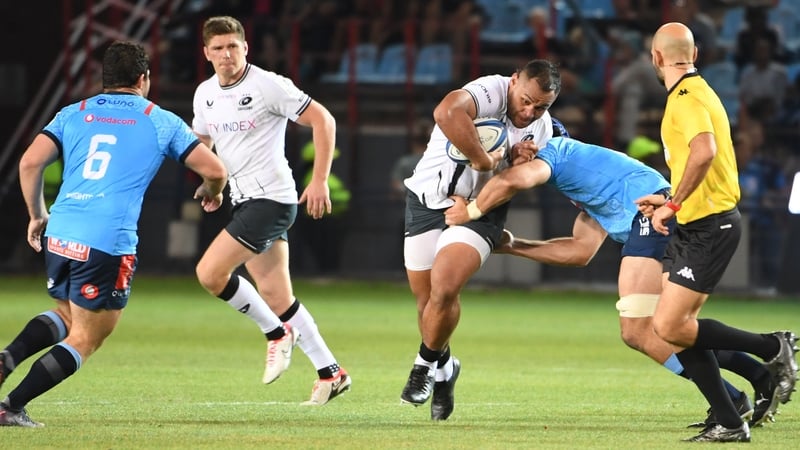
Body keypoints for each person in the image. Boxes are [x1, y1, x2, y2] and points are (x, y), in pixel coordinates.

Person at [444, 131, 783, 429]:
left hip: (650, 216)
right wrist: (514, 245)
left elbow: (511, 181)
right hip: (654, 215)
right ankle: (754, 378)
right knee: (671, 327)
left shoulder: (555, 152)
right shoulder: (585, 182)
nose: (519, 153)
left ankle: (753, 373)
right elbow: (580, 251)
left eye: (523, 145)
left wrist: (470, 211)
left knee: (641, 329)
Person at [0, 41, 228, 427]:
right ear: (143, 79)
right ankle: (11, 406)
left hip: (62, 230)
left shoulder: (74, 113)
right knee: (90, 335)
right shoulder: (160, 120)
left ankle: (6, 358)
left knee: (68, 314)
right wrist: (213, 191)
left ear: (104, 79)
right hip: (106, 238)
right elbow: (216, 170)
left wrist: (37, 214)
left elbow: (30, 162)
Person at [634, 22, 797, 443]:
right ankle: (729, 419)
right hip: (696, 221)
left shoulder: (684, 99)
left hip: (710, 226)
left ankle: (770, 348)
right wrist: (672, 197)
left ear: (655, 58)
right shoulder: (698, 91)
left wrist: (671, 204)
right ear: (695, 53)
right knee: (674, 325)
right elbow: (704, 162)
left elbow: (704, 152)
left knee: (670, 326)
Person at [191, 16, 350, 406]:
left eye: (233, 46)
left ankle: (277, 334)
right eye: (218, 48)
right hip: (243, 199)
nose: (226, 55)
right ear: (207, 53)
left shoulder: (267, 85)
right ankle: (332, 373)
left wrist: (319, 180)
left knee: (210, 273)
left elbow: (323, 119)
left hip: (273, 199)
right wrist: (213, 185)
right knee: (278, 294)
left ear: (246, 47)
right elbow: (205, 142)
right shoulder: (205, 93)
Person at [399, 59, 560, 420]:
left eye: (541, 106)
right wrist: (484, 160)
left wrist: (516, 166)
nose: (530, 111)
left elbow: (518, 182)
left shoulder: (542, 128)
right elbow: (446, 112)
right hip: (427, 199)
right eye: (526, 100)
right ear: (514, 81)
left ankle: (422, 365)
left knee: (445, 286)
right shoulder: (490, 90)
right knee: (427, 305)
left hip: (482, 212)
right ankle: (446, 370)